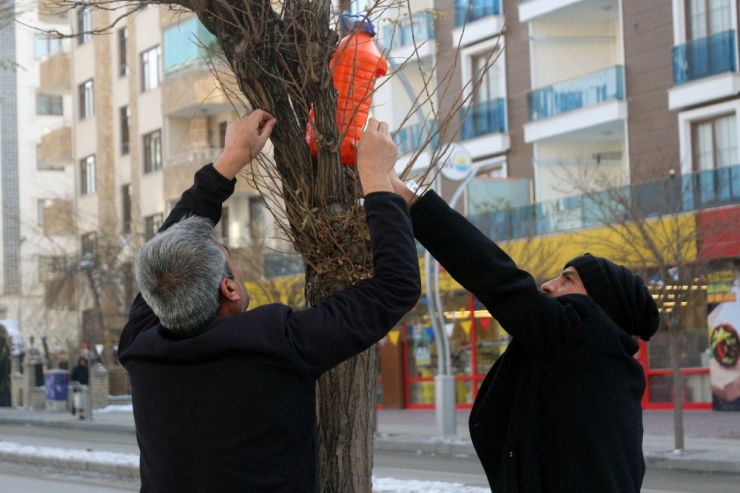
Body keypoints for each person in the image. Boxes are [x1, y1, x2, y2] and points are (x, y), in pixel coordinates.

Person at [118, 110, 420, 492]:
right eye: (231, 261)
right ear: (228, 289)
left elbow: (164, 259)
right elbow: (396, 288)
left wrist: (228, 164)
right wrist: (376, 178)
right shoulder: (275, 344)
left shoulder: (141, 346)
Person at [390, 176, 660, 492]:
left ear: (597, 306)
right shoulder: (604, 366)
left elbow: (497, 278)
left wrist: (412, 202)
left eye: (567, 280)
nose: (548, 285)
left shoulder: (586, 335)